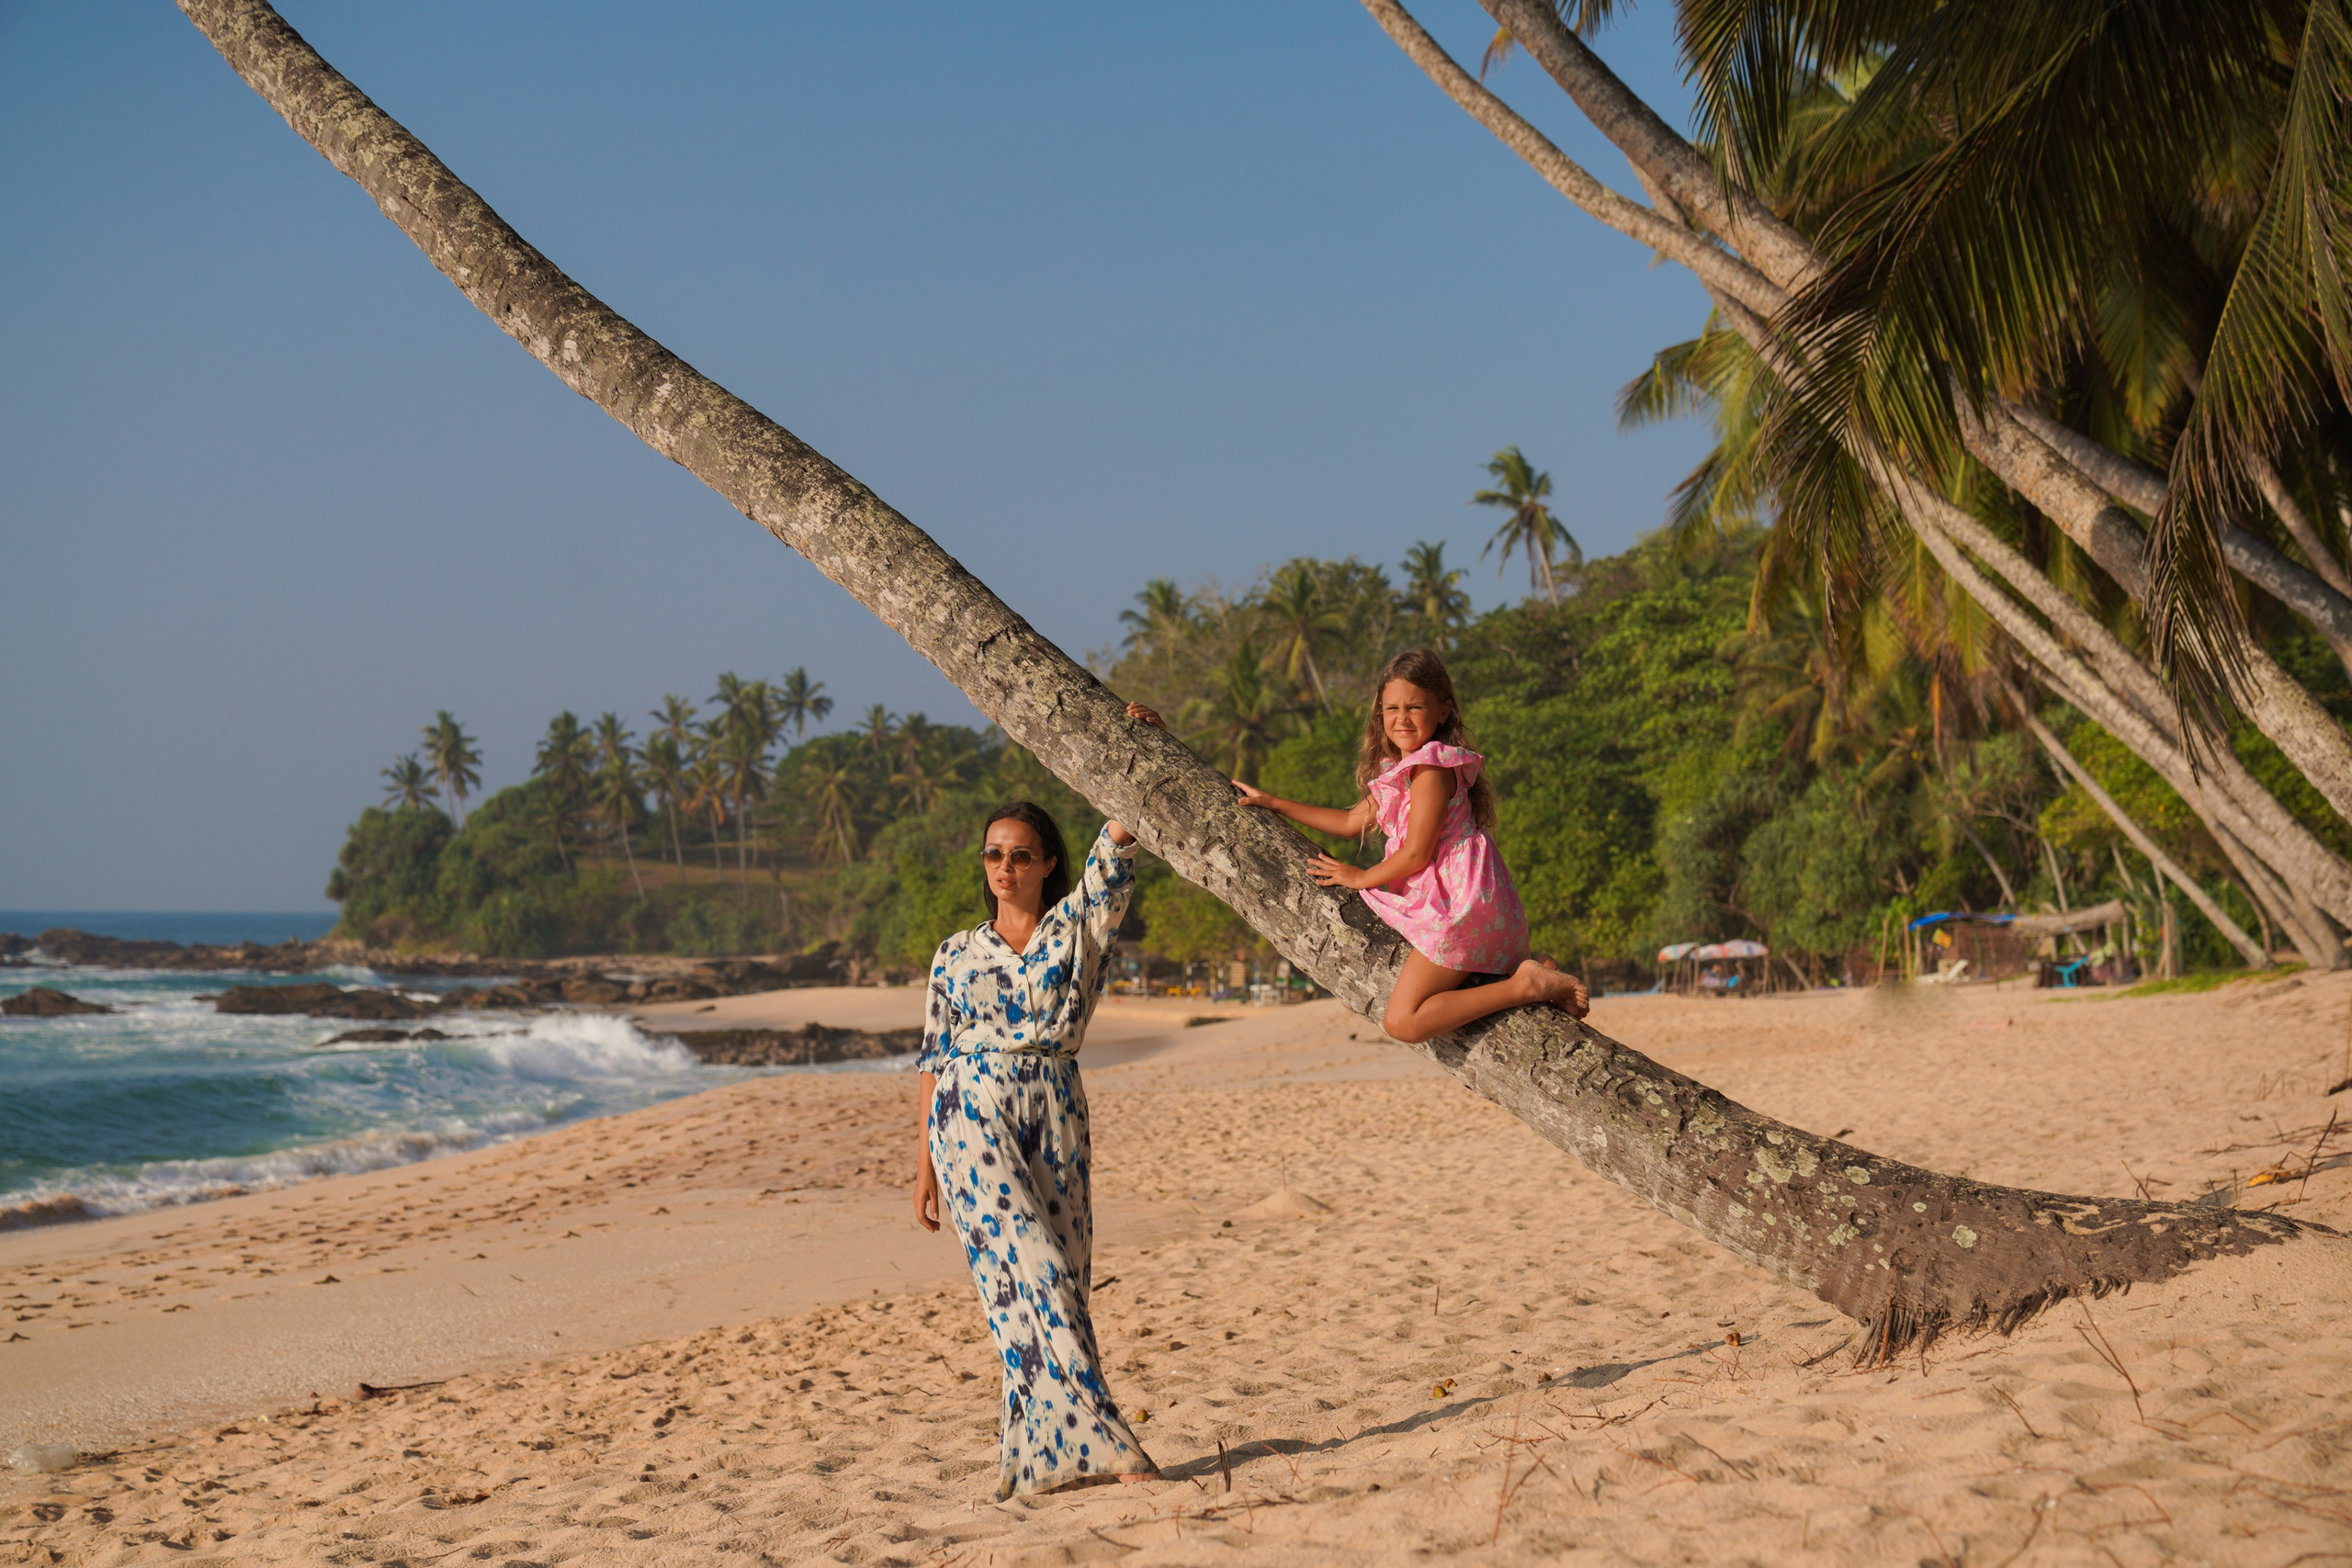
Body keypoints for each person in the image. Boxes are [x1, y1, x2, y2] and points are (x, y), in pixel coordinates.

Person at [910, 704, 1165, 1499]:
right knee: (1033, 1269)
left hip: (1055, 1100)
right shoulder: (954, 954)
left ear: (1048, 861)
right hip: (970, 1109)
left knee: (1066, 1281)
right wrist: (923, 1162)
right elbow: (931, 1058)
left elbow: (1119, 839)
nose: (1004, 867)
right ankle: (1109, 1439)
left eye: (1020, 855)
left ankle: (1033, 1458)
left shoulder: (1077, 926)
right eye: (993, 855)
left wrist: (1137, 745)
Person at [1233, 647, 1587, 1042]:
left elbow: (1417, 852)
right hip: (1465, 906)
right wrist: (1274, 802)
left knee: (1403, 1022)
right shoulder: (1401, 771)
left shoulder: (1431, 771)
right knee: (1410, 1015)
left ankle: (1528, 985)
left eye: (1415, 708)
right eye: (1391, 709)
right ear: (1379, 713)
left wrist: (1361, 877)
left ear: (1443, 711)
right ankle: (1537, 968)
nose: (1401, 718)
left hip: (1462, 908)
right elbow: (1351, 821)